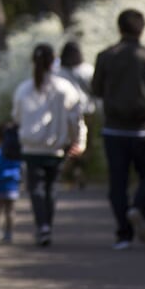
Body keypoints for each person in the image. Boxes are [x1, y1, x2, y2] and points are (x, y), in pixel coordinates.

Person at [91, 8, 145, 250]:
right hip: (144, 129)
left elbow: (96, 89)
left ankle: (123, 234)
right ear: (142, 29)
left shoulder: (106, 56)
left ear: (119, 28)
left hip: (114, 130)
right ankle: (138, 208)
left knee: (118, 182)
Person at [11, 43, 87, 247]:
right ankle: (47, 226)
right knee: (51, 187)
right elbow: (75, 118)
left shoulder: (23, 89)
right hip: (56, 147)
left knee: (36, 188)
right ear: (54, 61)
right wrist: (78, 141)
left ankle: (41, 225)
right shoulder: (64, 87)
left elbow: (16, 116)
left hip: (31, 147)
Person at [57, 38, 96, 189]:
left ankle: (69, 172)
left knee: (69, 143)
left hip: (66, 111)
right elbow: (95, 89)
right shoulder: (88, 70)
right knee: (85, 143)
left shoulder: (59, 71)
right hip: (87, 111)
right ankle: (80, 170)